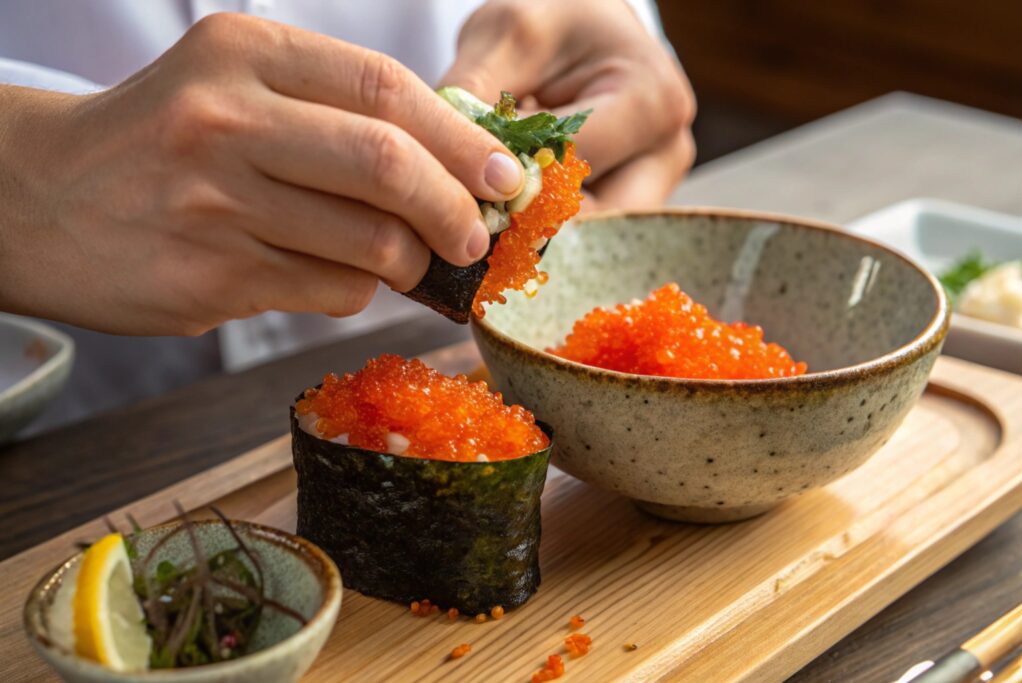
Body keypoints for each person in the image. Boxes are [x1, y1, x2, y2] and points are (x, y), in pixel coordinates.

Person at [0, 0, 695, 427]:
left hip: (479, 373)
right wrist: (23, 168)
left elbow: (605, 33)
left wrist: (621, 23)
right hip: (68, 426)